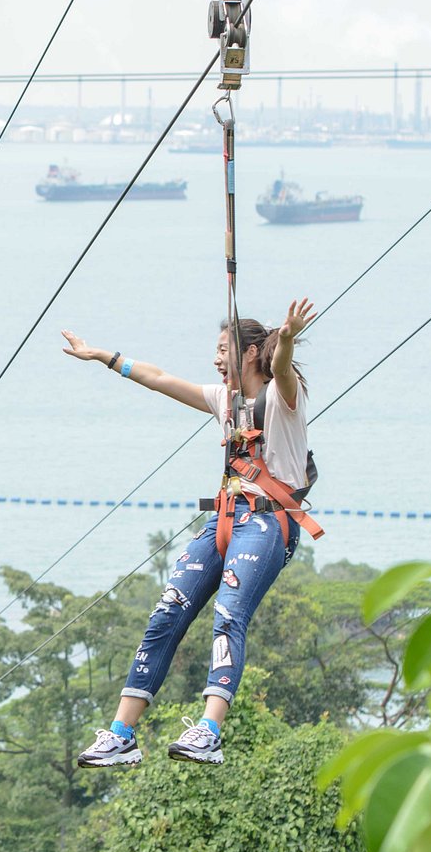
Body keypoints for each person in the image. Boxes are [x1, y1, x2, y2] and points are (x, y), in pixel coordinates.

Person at [60, 299, 320, 766]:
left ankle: (209, 729)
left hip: (267, 522)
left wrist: (287, 340)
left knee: (229, 612)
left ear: (250, 354)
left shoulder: (284, 397)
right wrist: (104, 357)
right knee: (166, 612)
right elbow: (160, 379)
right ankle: (122, 734)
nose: (217, 360)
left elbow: (280, 367)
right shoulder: (225, 399)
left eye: (224, 350)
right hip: (225, 519)